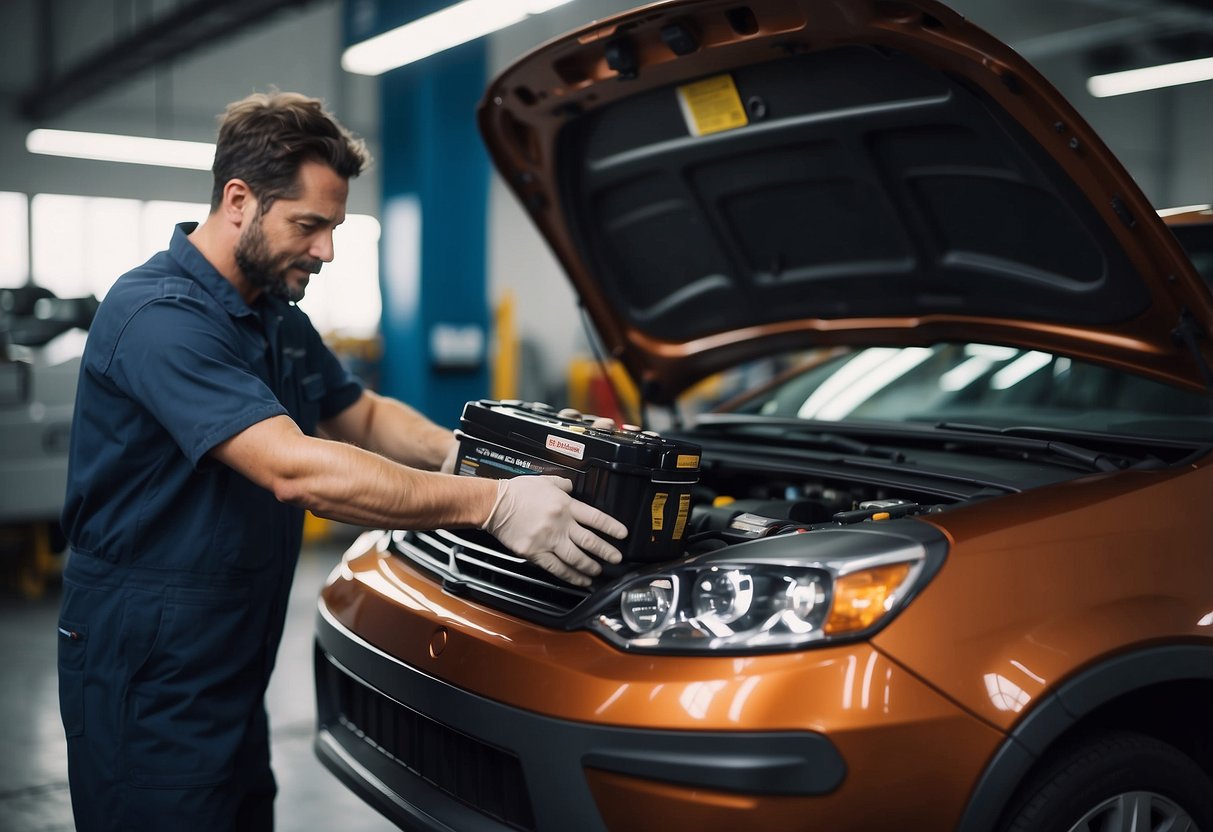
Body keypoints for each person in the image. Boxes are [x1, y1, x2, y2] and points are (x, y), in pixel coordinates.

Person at [56, 91, 627, 831]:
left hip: (227, 655)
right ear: (238, 201)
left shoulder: (272, 314)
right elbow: (295, 468)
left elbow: (359, 413)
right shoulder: (158, 317)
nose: (326, 249)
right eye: (309, 224)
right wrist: (494, 506)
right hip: (145, 662)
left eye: (334, 226)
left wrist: (471, 459)